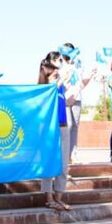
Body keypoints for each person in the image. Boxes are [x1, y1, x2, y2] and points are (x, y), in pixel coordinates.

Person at [38, 60, 71, 211]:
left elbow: (69, 100)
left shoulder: (61, 88)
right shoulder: (43, 90)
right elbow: (48, 97)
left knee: (64, 166)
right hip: (50, 130)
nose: (57, 78)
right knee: (49, 164)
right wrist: (60, 81)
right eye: (54, 76)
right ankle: (49, 198)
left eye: (58, 76)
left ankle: (59, 198)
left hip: (63, 127)